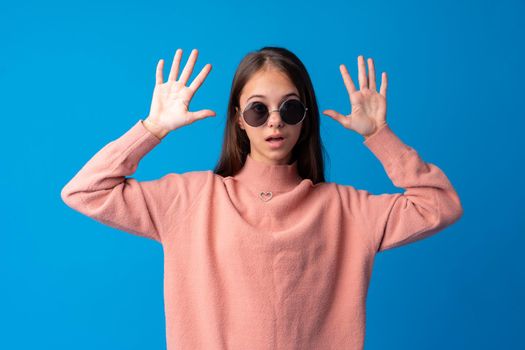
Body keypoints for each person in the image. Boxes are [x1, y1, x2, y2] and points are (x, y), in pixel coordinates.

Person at [61, 47, 463, 350]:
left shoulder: (345, 210)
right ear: (238, 118)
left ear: (306, 118)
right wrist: (151, 129)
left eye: (289, 109)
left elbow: (439, 205)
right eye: (258, 110)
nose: (274, 121)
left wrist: (380, 136)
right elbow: (85, 191)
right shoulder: (191, 199)